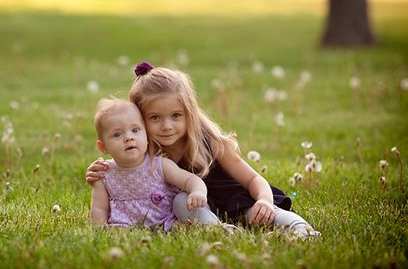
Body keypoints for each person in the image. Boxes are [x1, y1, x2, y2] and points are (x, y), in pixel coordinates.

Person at [87, 63, 320, 238]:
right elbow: (122, 167)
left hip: (237, 200)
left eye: (176, 116)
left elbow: (252, 179)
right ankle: (220, 233)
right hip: (199, 210)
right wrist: (97, 171)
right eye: (155, 118)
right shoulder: (146, 151)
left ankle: (301, 228)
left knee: (258, 216)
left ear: (189, 112)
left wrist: (265, 202)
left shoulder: (211, 143)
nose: (167, 126)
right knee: (181, 200)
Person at [90, 98, 209, 230]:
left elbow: (189, 179)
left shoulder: (159, 164)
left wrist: (198, 191)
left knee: (185, 227)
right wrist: (100, 229)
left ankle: (215, 227)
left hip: (166, 222)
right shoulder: (104, 173)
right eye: (117, 134)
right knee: (117, 232)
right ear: (103, 147)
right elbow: (99, 208)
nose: (129, 137)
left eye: (135, 130)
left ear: (147, 136)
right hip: (124, 226)